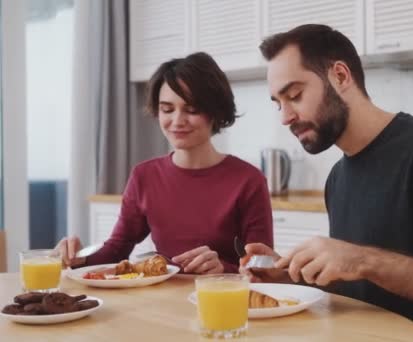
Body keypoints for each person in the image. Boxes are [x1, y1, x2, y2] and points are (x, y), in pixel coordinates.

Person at [241, 24, 413, 341]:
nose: (285, 117)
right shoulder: (338, 179)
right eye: (278, 102)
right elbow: (365, 283)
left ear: (340, 76)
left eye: (295, 96)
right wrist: (290, 276)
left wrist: (362, 259)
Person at [57, 52, 273, 274]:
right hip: (164, 298)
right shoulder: (144, 176)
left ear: (215, 112)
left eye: (191, 110)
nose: (177, 121)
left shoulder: (248, 180)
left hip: (225, 298)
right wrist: (79, 257)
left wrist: (224, 269)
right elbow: (117, 248)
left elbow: (263, 266)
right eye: (167, 109)